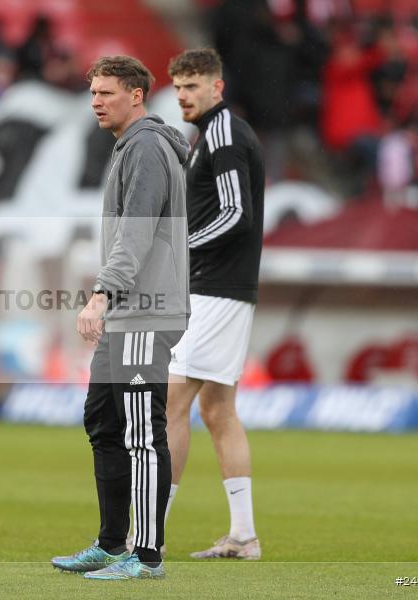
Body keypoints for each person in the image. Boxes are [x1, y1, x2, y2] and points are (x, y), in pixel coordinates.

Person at [51, 55, 189, 580]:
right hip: (131, 310)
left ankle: (147, 555)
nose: (96, 103)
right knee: (104, 421)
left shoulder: (148, 147)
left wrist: (102, 294)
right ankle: (111, 544)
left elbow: (136, 232)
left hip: (144, 311)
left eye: (107, 93)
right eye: (92, 94)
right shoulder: (130, 148)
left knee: (140, 431)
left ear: (137, 95)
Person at [164, 48, 265, 560]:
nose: (183, 95)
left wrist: (179, 247)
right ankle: (243, 535)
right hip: (224, 288)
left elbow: (235, 214)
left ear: (216, 88)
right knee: (218, 409)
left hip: (216, 289)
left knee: (171, 402)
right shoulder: (211, 135)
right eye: (178, 86)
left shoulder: (223, 132)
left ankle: (147, 535)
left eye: (193, 85)